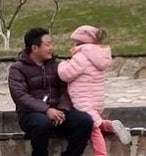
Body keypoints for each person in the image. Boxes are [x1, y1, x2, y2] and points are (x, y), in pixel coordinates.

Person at [9, 27, 93, 156]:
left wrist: (62, 110)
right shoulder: (17, 69)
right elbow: (20, 96)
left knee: (85, 121)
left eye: (51, 44)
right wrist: (47, 110)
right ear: (34, 48)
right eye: (47, 45)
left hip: (58, 113)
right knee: (41, 123)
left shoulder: (56, 65)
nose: (51, 48)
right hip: (31, 115)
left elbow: (65, 90)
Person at [58, 25, 131, 155]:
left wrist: (62, 64)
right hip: (96, 100)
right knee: (95, 121)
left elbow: (65, 74)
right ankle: (110, 125)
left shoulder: (82, 57)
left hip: (83, 100)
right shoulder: (99, 56)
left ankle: (101, 154)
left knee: (94, 130)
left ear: (80, 42)